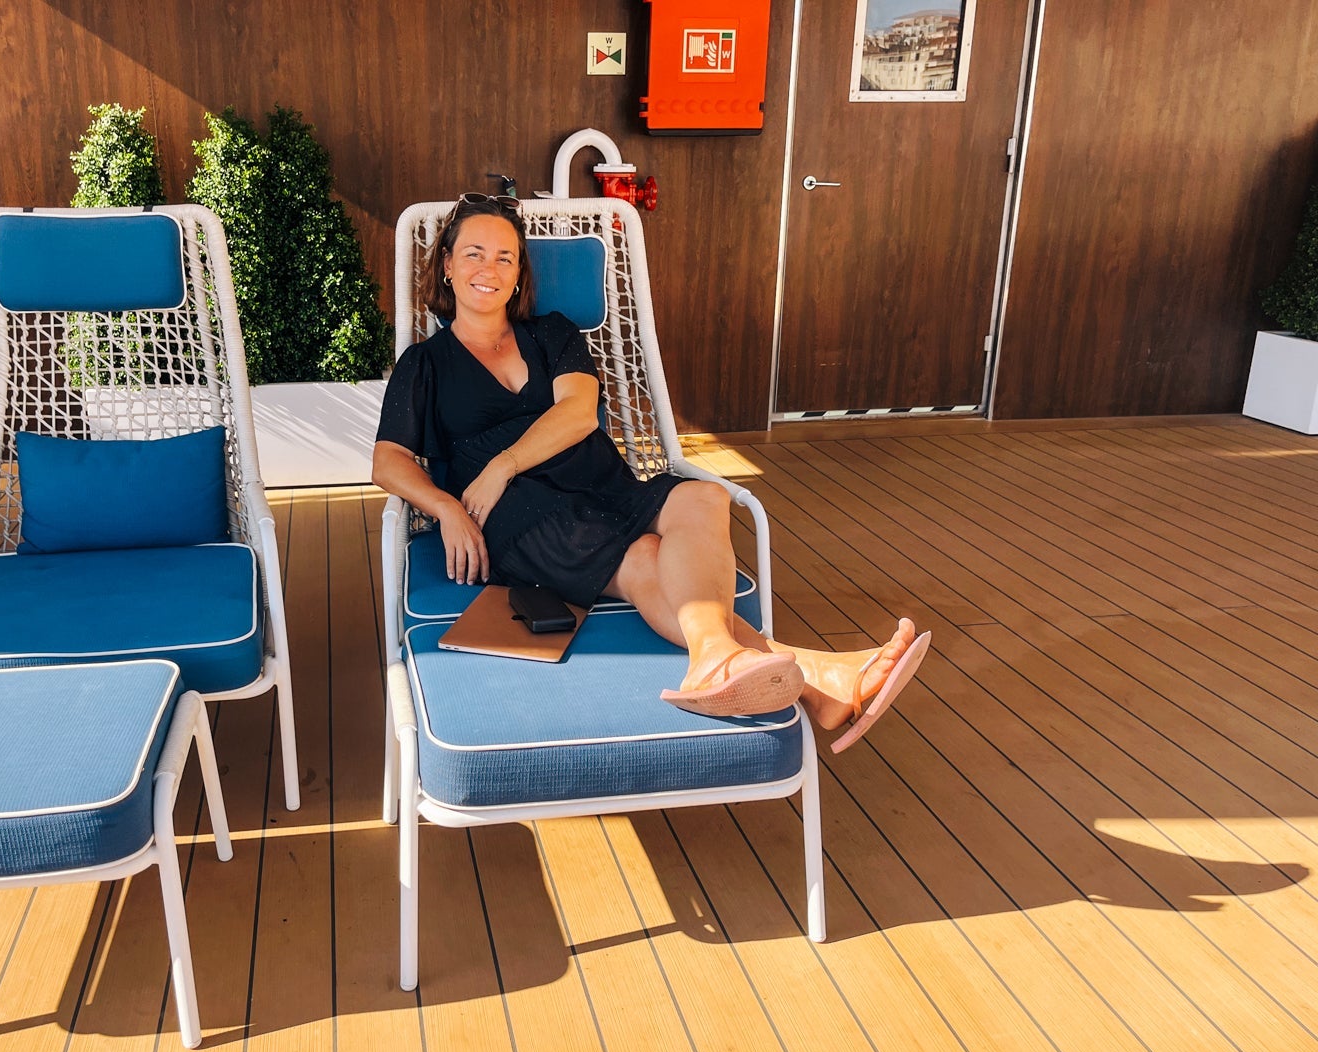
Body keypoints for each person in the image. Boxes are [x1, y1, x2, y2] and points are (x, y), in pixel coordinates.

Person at [372, 194, 929, 749]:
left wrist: (502, 462)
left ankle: (733, 664)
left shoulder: (552, 333)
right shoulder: (424, 364)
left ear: (519, 274)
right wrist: (446, 506)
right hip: (519, 515)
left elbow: (578, 412)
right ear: (445, 265)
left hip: (600, 483)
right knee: (643, 555)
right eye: (473, 254)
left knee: (704, 499)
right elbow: (387, 460)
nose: (487, 270)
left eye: (504, 257)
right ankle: (814, 679)